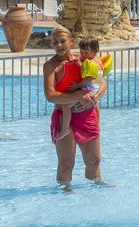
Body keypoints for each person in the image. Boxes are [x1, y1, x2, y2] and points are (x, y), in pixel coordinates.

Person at [42, 25, 107, 190]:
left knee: (95, 160)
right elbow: (50, 95)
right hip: (65, 117)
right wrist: (76, 96)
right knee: (66, 162)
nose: (59, 45)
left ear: (71, 41)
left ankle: (96, 185)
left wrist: (96, 96)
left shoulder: (83, 60)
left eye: (62, 41)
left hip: (86, 115)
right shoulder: (51, 66)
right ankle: (65, 190)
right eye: (55, 42)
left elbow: (102, 82)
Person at [54, 36, 112, 143]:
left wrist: (76, 86)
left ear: (95, 51)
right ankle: (97, 123)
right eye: (81, 51)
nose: (83, 55)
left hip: (88, 90)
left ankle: (65, 128)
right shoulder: (97, 60)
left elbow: (88, 79)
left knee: (66, 105)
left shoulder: (92, 64)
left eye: (86, 52)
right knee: (95, 105)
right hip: (95, 90)